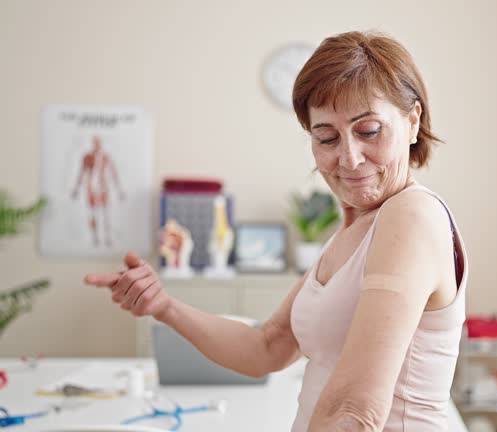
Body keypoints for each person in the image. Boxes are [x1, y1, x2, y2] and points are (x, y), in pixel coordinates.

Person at [83, 31, 468, 431]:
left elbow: (355, 409)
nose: (349, 158)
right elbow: (266, 348)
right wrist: (163, 306)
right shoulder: (355, 227)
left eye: (368, 130)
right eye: (327, 137)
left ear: (412, 121)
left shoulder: (411, 216)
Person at [71, 135, 125, 247]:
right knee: (93, 213)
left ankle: (107, 237)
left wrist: (119, 189)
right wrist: (76, 188)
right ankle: (95, 237)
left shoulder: (105, 157)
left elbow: (113, 173)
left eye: (99, 143)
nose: (97, 146)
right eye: (95, 143)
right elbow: (81, 173)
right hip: (92, 187)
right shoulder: (87, 157)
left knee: (106, 214)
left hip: (103, 187)